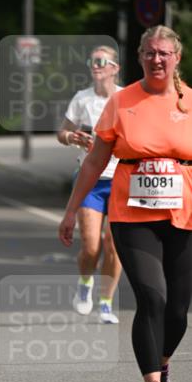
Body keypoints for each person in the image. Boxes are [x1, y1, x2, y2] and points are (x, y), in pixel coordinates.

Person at [59, 26, 192, 382]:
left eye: (164, 53)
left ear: (177, 58)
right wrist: (71, 211)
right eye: (150, 53)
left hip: (183, 214)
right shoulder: (122, 101)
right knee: (152, 296)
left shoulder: (189, 102)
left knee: (178, 312)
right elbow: (96, 161)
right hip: (132, 214)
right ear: (140, 56)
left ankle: (163, 360)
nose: (157, 59)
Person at [57, 46, 123, 323]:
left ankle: (106, 303)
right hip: (90, 180)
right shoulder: (82, 98)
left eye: (101, 61)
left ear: (114, 68)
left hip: (121, 180)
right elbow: (62, 132)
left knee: (113, 245)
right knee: (92, 246)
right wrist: (73, 137)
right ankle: (85, 284)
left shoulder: (126, 98)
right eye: (91, 61)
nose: (95, 65)